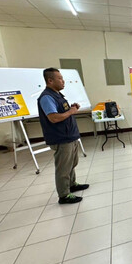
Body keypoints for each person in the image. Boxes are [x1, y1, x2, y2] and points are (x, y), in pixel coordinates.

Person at [37, 68, 88, 204]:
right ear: (50, 80)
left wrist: (72, 108)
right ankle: (64, 195)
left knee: (72, 163)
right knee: (63, 168)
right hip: (61, 138)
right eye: (59, 78)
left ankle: (72, 185)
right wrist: (71, 112)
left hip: (69, 136)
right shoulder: (47, 97)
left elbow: (62, 112)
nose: (63, 81)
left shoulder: (57, 95)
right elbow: (53, 118)